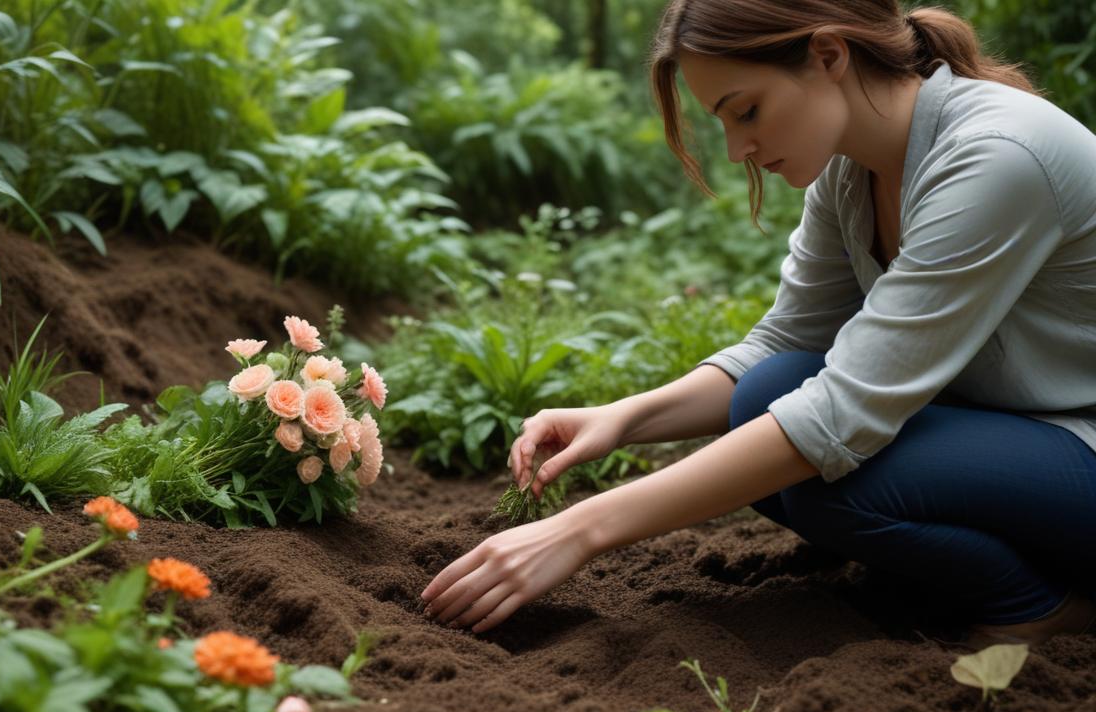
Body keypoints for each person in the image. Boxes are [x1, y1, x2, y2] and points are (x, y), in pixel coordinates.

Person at [420, 0, 1096, 649]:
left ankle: (1040, 607)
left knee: (830, 477)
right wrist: (622, 417)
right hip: (1023, 438)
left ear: (828, 55)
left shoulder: (996, 155)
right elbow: (786, 342)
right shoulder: (850, 172)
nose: (736, 148)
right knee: (765, 395)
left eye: (746, 111)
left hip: (1078, 448)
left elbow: (840, 415)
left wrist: (579, 531)